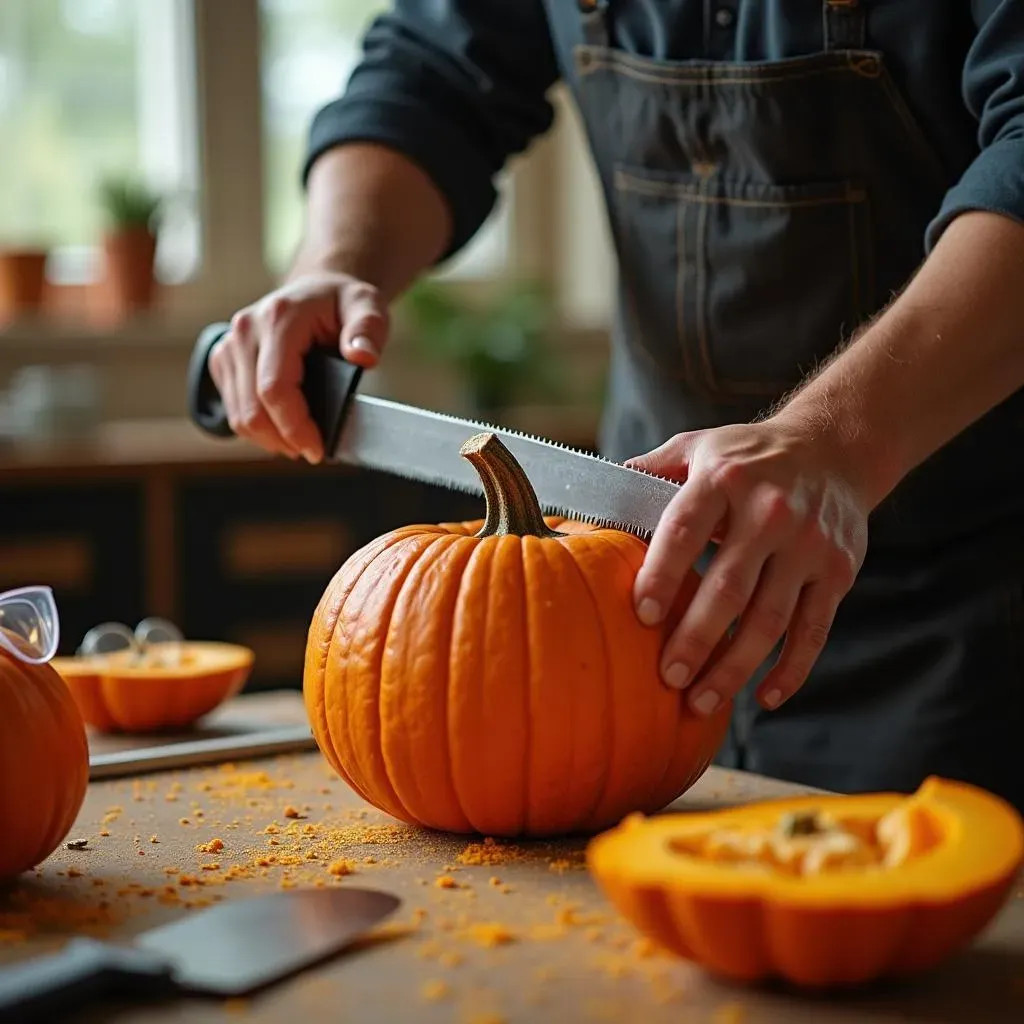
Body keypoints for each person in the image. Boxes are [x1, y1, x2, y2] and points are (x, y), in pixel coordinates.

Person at [209, 1, 1024, 814]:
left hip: (960, 618)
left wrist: (841, 440)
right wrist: (331, 264)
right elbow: (430, 75)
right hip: (635, 595)